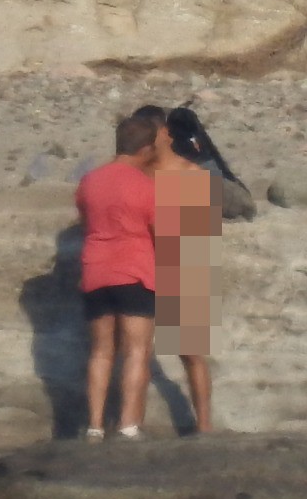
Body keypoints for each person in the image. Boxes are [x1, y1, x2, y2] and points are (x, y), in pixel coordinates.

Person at [74, 113, 159, 440]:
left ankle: (94, 426)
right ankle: (128, 425)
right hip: (134, 270)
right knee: (137, 351)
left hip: (95, 269)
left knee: (100, 350)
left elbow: (85, 222)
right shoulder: (145, 185)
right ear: (147, 149)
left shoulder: (90, 181)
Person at [151, 107, 223, 433]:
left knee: (190, 351)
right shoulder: (140, 173)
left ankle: (204, 425)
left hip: (184, 257)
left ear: (165, 134)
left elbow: (197, 235)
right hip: (146, 259)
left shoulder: (190, 174)